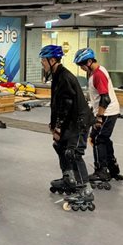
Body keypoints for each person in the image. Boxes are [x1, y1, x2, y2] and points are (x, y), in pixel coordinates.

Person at [41, 45, 95, 212]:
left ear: (52, 60)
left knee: (73, 153)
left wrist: (58, 128)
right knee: (60, 146)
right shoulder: (57, 75)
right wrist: (53, 124)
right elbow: (56, 104)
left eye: (43, 61)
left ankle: (85, 189)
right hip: (70, 122)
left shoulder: (64, 77)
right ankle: (69, 178)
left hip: (79, 122)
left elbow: (66, 105)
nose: (42, 63)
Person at [73, 48, 123, 189]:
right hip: (108, 111)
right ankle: (113, 168)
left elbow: (105, 98)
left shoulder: (98, 75)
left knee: (97, 139)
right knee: (105, 139)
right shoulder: (96, 71)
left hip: (107, 112)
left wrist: (99, 117)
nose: (81, 68)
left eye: (82, 65)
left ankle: (101, 170)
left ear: (89, 61)